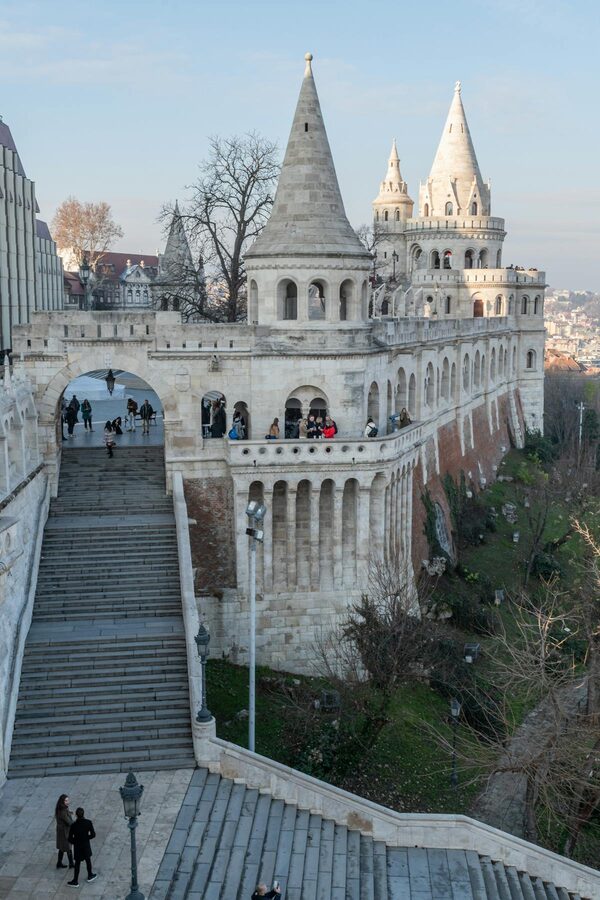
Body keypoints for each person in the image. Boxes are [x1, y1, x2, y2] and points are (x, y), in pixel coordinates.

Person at [67, 807, 97, 886]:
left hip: (78, 846)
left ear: (76, 815)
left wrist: (75, 841)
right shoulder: (88, 822)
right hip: (86, 845)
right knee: (88, 860)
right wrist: (86, 838)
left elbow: (70, 838)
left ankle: (75, 880)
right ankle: (90, 875)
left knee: (77, 863)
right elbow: (93, 835)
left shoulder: (74, 825)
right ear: (83, 814)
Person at [55, 794, 74, 870]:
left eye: (68, 800)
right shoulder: (62, 811)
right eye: (66, 800)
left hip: (61, 831)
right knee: (68, 847)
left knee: (62, 848)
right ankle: (71, 864)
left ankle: (59, 863)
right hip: (64, 832)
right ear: (62, 801)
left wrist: (69, 813)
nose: (68, 802)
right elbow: (69, 822)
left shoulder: (61, 808)